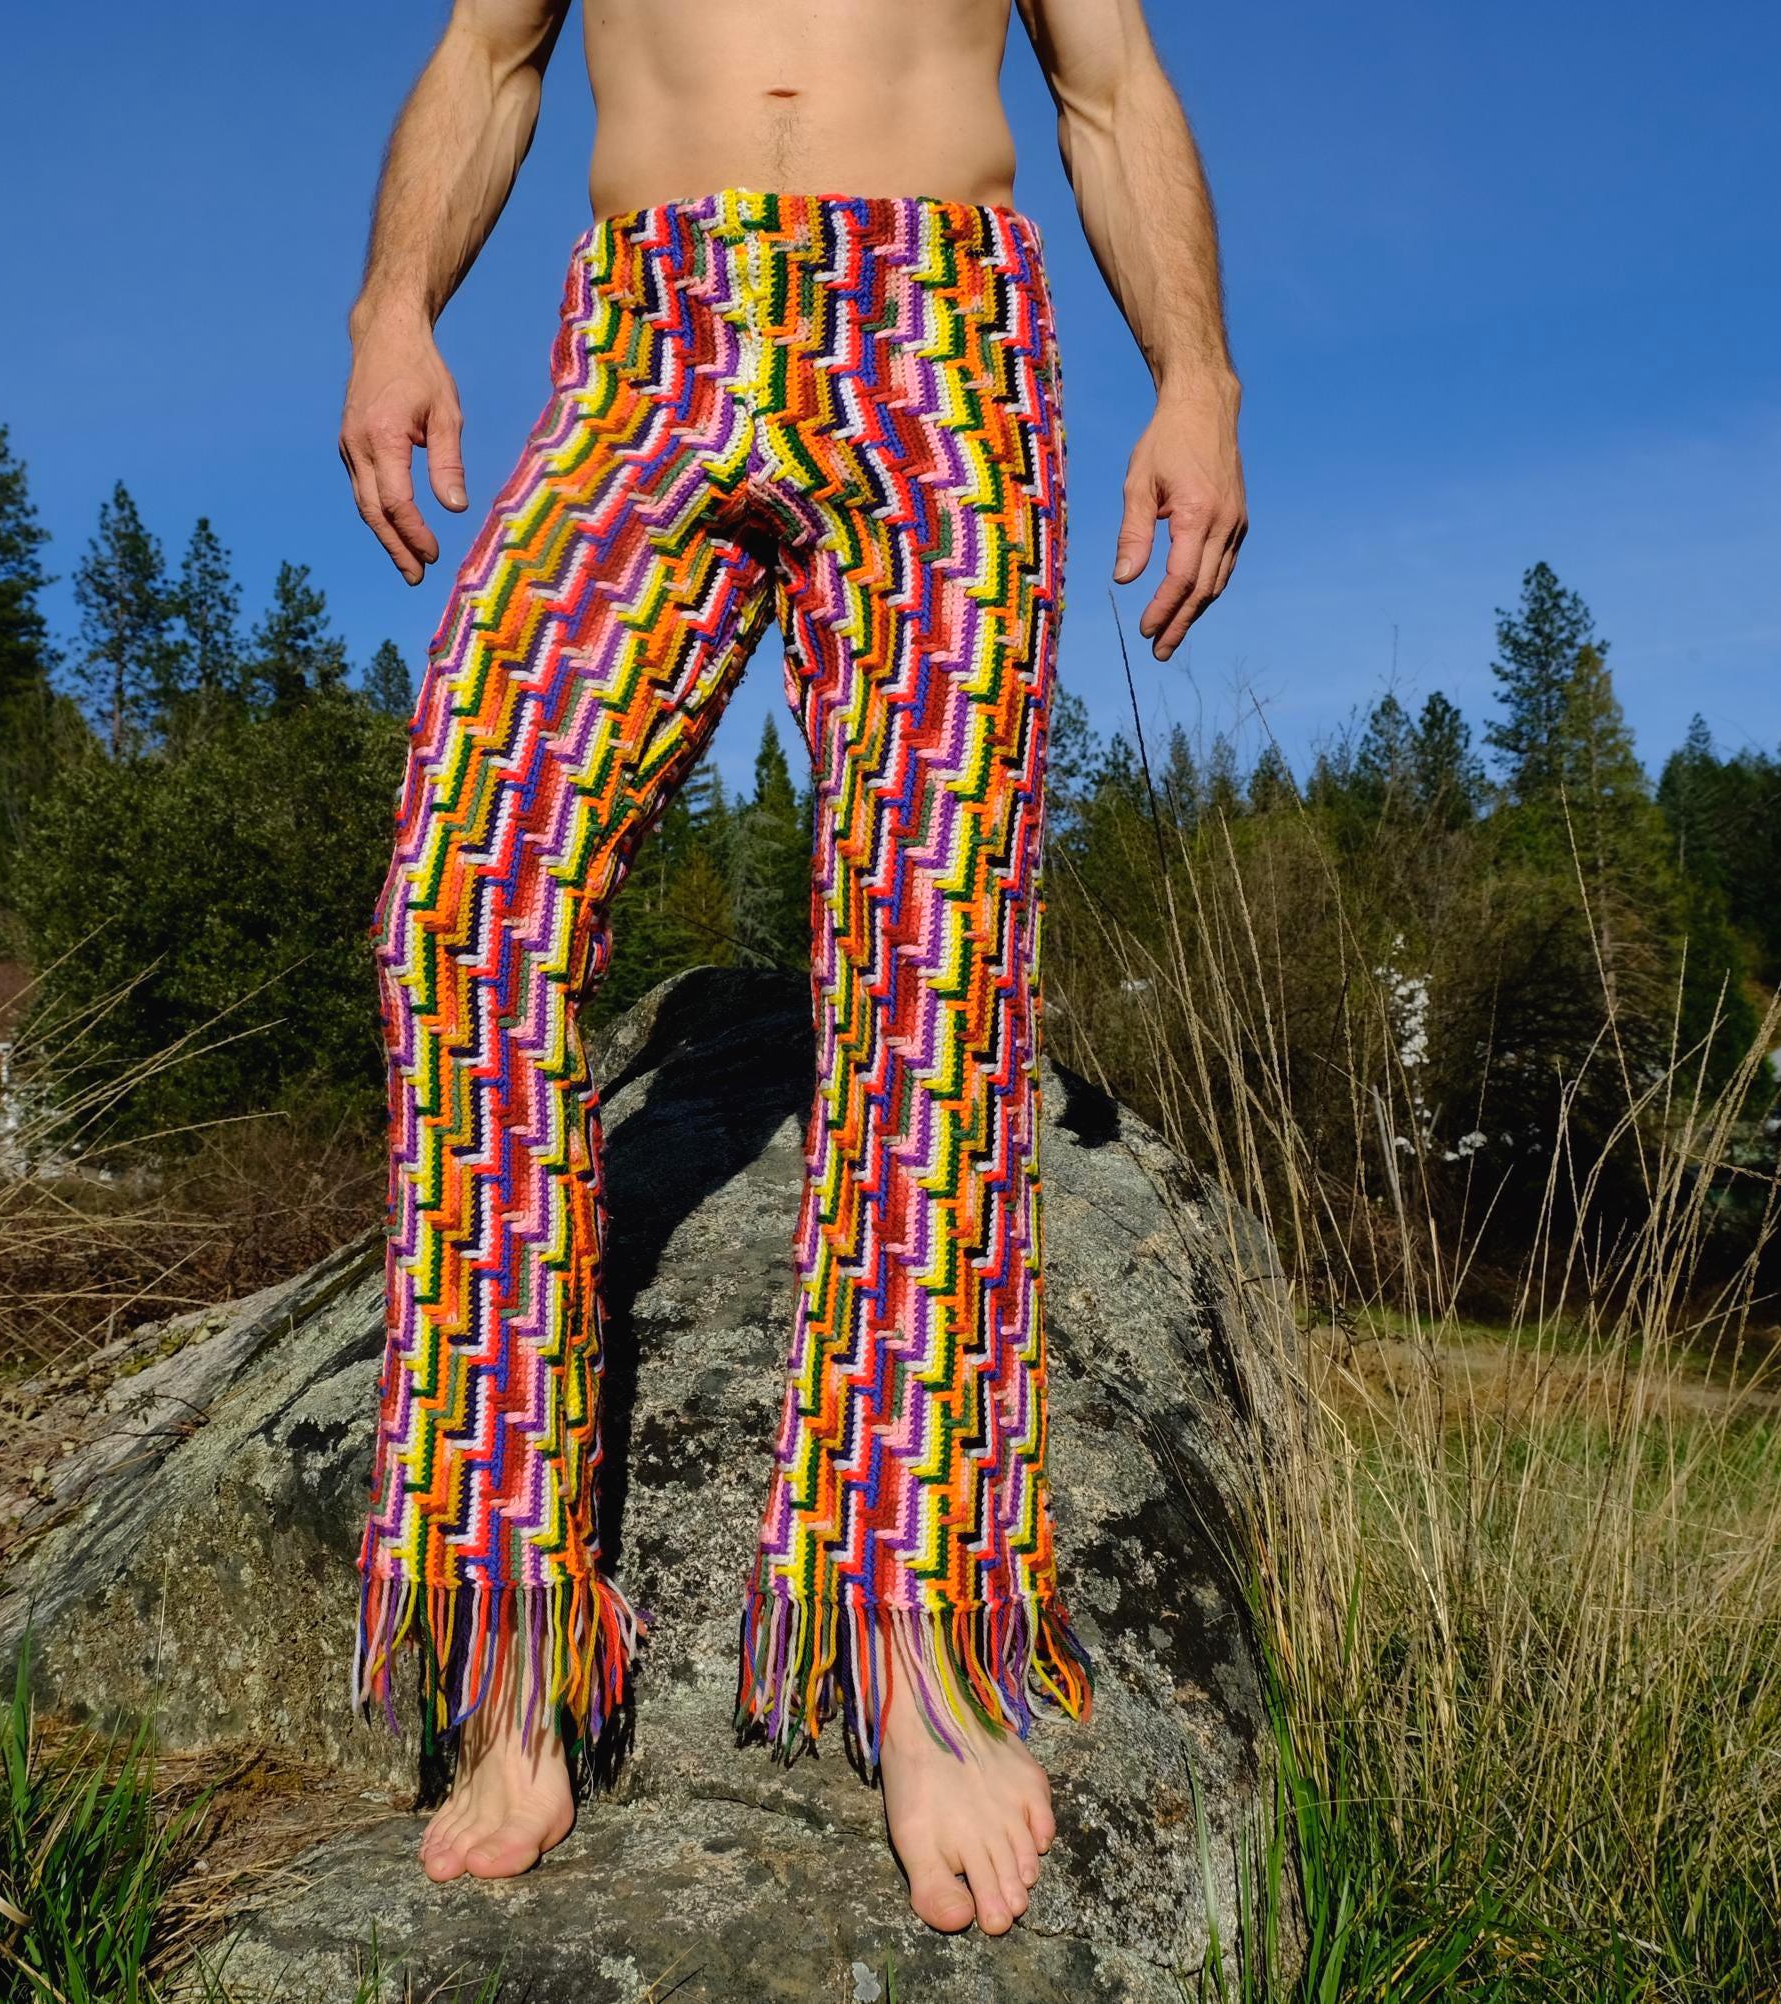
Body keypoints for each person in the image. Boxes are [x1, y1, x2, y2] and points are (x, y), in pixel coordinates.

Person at [337, 0, 1246, 1940]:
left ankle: (917, 1648)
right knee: (462, 904)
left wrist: (1198, 379)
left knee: (931, 970)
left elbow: (1107, 81)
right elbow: (488, 53)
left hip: (940, 334)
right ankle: (508, 1645)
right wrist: (393, 310)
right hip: (646, 338)